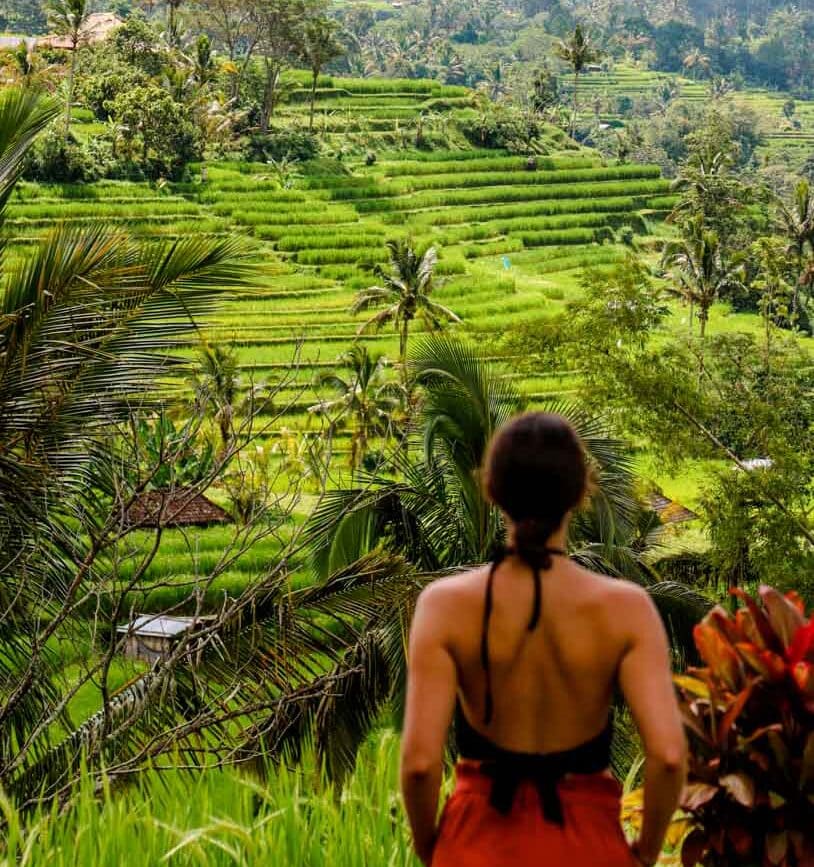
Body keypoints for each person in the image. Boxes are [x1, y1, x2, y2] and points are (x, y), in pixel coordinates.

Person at [400, 412, 687, 867]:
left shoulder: (445, 605)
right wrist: (644, 853)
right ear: (580, 492)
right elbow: (669, 756)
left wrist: (430, 847)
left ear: (492, 490)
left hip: (477, 843)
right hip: (588, 846)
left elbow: (419, 764)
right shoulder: (626, 609)